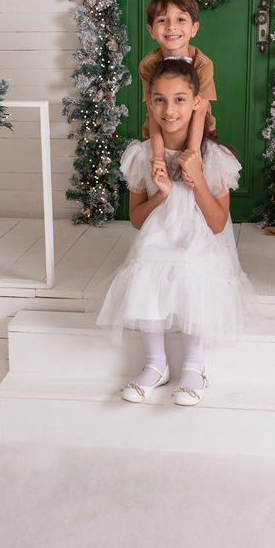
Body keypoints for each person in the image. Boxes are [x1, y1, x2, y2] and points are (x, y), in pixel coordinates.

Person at [96, 58, 255, 406]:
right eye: (160, 100)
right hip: (158, 233)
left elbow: (217, 223)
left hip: (200, 237)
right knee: (146, 257)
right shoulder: (141, 155)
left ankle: (194, 366)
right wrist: (162, 194)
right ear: (150, 103)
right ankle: (156, 364)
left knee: (190, 262)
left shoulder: (213, 156)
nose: (169, 109)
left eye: (180, 99)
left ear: (197, 102)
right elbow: (137, 220)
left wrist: (197, 179)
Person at [138, 0, 216, 185]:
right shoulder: (148, 65)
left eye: (180, 19)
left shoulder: (203, 64)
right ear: (151, 30)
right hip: (160, 132)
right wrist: (158, 157)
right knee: (160, 184)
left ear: (194, 28)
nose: (171, 27)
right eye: (162, 20)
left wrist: (192, 155)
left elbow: (200, 112)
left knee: (196, 186)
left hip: (199, 134)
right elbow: (153, 110)